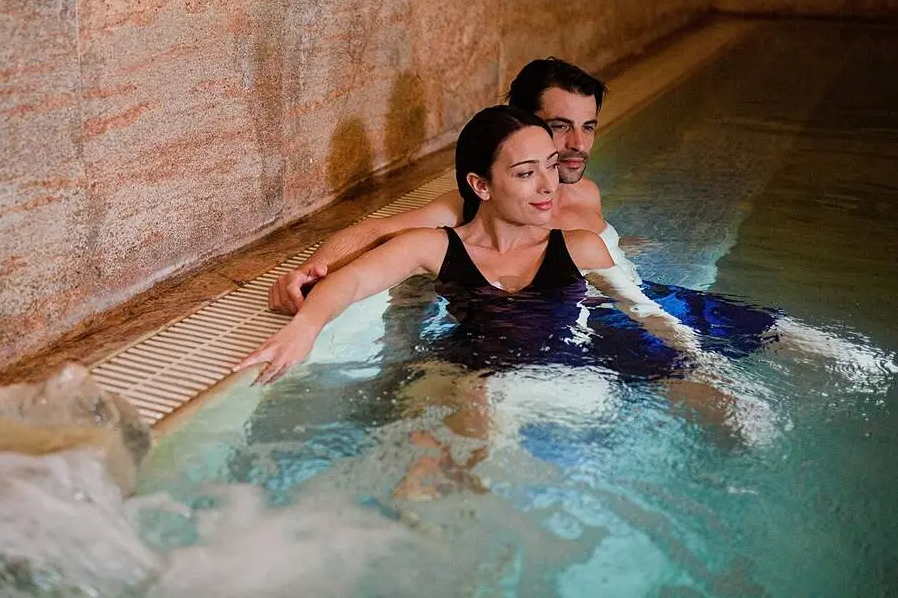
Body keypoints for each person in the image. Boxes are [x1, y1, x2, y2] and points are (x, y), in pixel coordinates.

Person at [235, 106, 707, 385]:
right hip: (471, 376)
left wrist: (701, 367)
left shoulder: (581, 248)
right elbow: (355, 277)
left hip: (568, 375)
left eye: (549, 165)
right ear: (480, 186)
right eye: (525, 174)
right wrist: (307, 325)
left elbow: (643, 313)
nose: (549, 186)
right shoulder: (435, 247)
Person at [269, 57, 633, 315]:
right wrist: (306, 273)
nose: (579, 144)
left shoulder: (588, 192)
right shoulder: (469, 210)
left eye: (588, 126)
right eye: (560, 126)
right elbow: (378, 231)